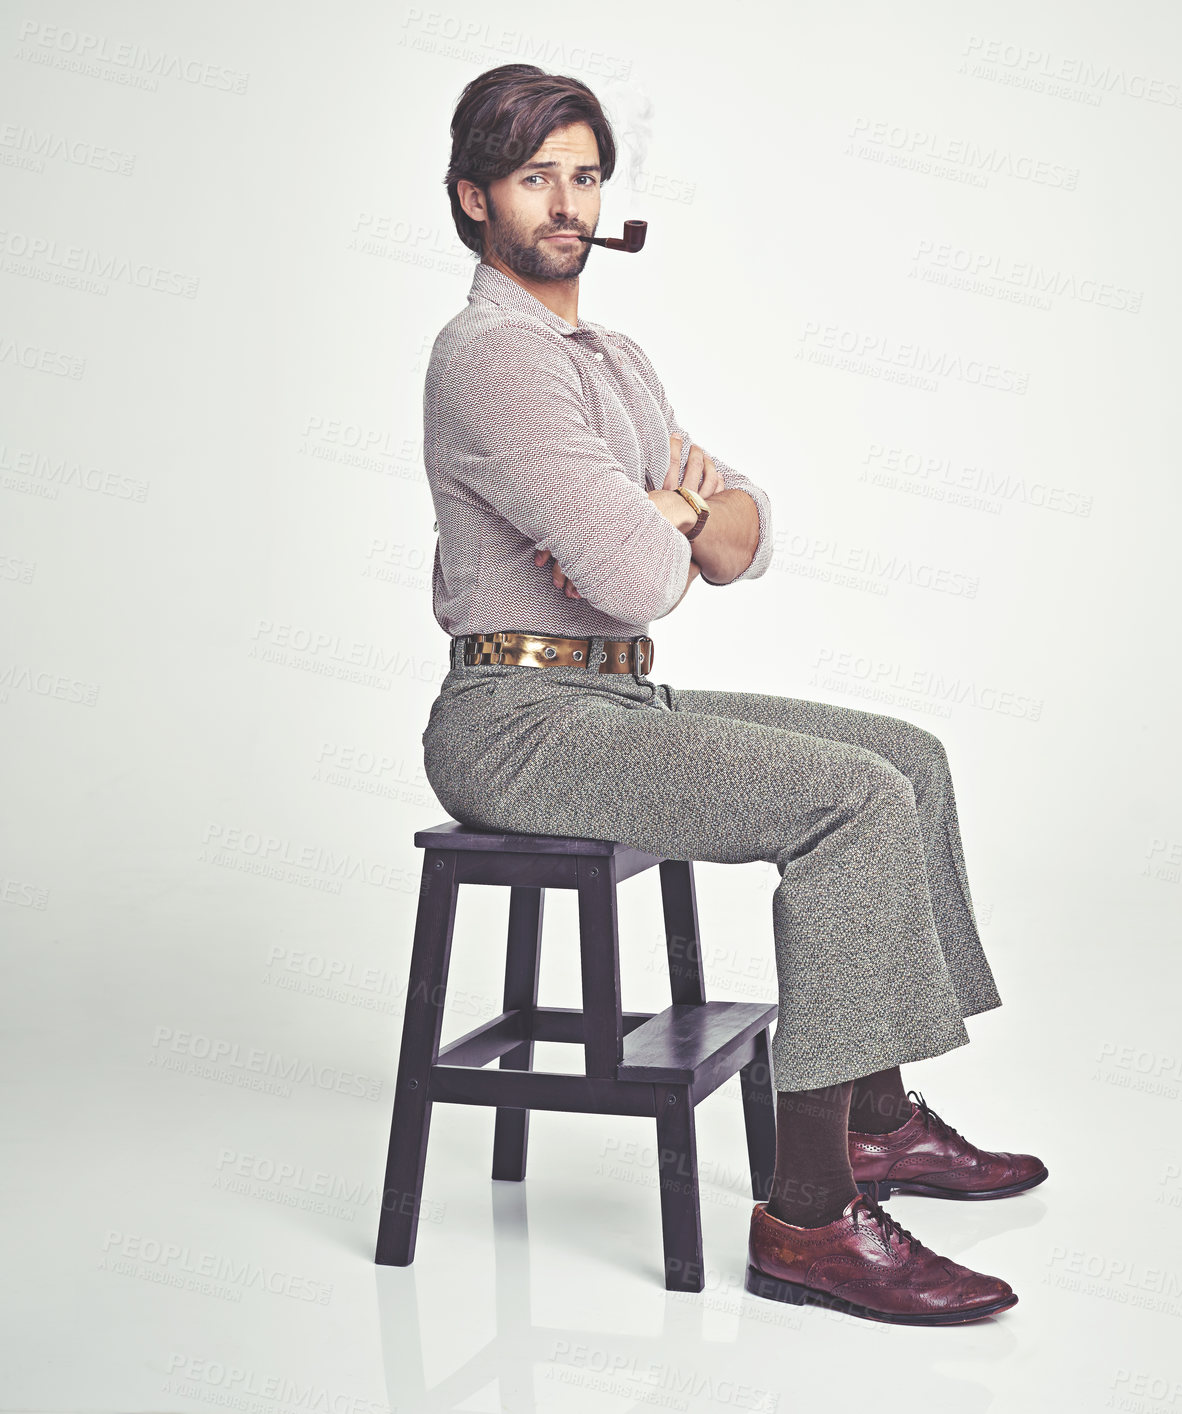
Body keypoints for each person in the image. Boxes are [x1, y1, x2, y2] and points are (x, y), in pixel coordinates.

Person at [419, 62, 1047, 1327]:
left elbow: (741, 539)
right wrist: (658, 524)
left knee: (905, 757)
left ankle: (870, 1121)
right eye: (535, 176)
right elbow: (649, 575)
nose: (566, 201)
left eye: (585, 174)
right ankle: (807, 1217)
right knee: (850, 803)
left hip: (617, 704)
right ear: (475, 197)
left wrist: (671, 512)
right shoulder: (491, 357)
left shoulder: (615, 358)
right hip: (517, 721)